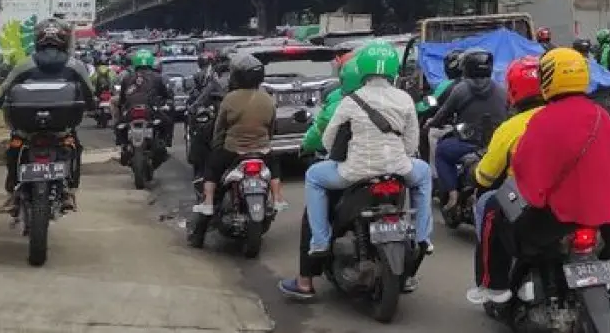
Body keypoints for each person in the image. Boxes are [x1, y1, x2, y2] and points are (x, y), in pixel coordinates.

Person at [471, 47, 610, 305]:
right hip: (607, 214)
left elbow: (527, 173)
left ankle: (496, 287)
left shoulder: (542, 121)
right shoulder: (601, 117)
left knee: (494, 207)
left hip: (556, 218)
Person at [278, 41, 432, 301]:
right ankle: (424, 236)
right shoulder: (404, 98)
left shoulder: (351, 101)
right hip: (398, 170)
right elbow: (411, 144)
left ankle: (320, 241)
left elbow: (327, 142)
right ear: (393, 70)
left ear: (360, 70)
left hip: (353, 173)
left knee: (314, 176)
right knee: (425, 173)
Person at [0, 19, 96, 211]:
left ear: (37, 41)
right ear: (64, 42)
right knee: (75, 148)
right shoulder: (75, 65)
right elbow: (89, 93)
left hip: (27, 128)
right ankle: (70, 192)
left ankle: (12, 191)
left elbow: (4, 88)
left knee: (14, 148)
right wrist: (92, 105)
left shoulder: (25, 64)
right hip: (62, 128)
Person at [468, 55, 544, 302]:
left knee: (487, 204)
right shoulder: (581, 116)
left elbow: (485, 177)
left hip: (526, 199)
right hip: (582, 196)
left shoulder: (511, 127)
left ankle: (492, 282)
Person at [195, 53, 287, 215]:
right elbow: (271, 128)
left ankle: (208, 202)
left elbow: (220, 128)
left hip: (233, 151)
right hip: (262, 151)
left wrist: (216, 147)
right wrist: (264, 142)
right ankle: (278, 198)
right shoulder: (268, 99)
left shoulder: (230, 99)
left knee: (212, 168)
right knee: (275, 167)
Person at [428, 48, 508, 214]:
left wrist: (431, 123)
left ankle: (452, 193)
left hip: (468, 144)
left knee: (442, 152)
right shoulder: (502, 90)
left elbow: (443, 114)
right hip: (495, 146)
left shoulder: (460, 89)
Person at [115, 48, 172, 148]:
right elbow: (166, 95)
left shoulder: (127, 78)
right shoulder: (157, 77)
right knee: (168, 122)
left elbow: (122, 100)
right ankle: (165, 142)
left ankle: (122, 145)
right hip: (150, 109)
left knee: (118, 125)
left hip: (130, 109)